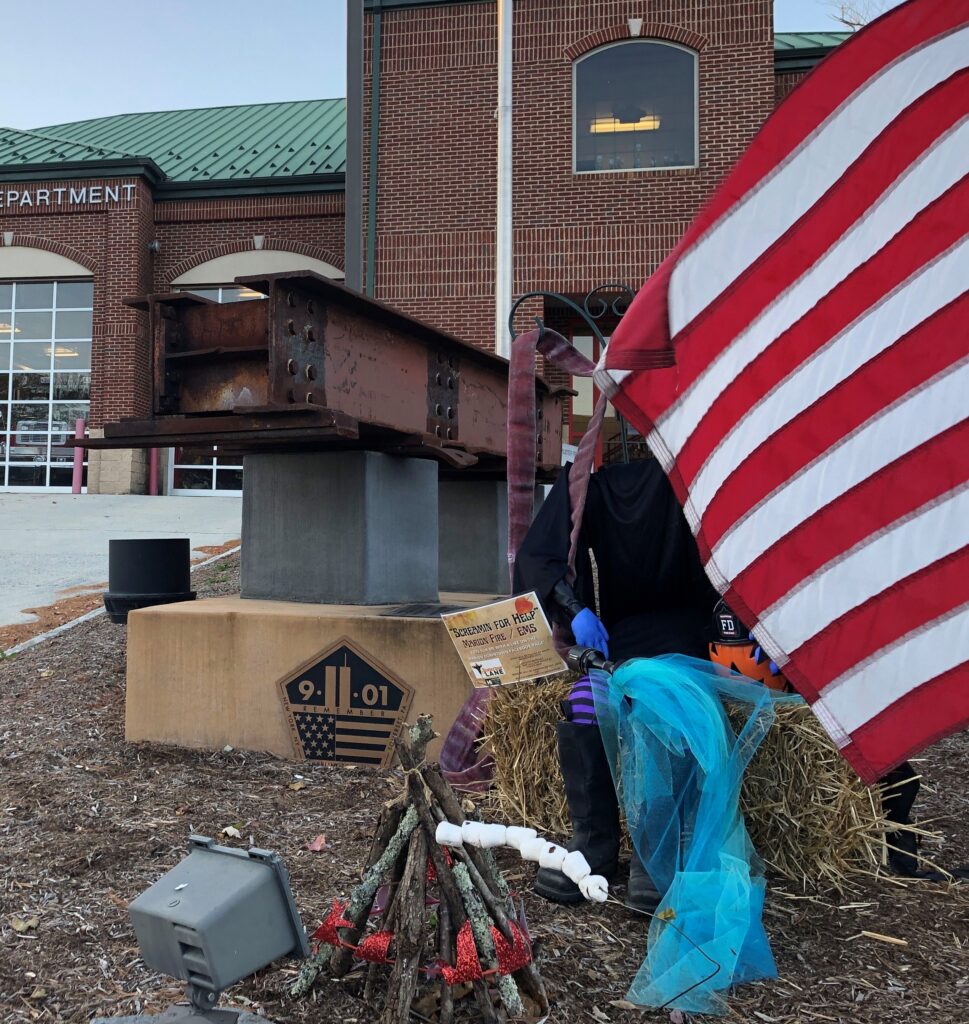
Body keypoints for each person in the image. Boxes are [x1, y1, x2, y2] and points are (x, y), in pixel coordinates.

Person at [513, 457, 719, 910]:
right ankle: (594, 844)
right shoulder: (591, 486)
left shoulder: (704, 476)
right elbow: (538, 555)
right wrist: (573, 607)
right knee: (585, 706)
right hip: (616, 639)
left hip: (687, 640)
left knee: (658, 708)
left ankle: (654, 850)